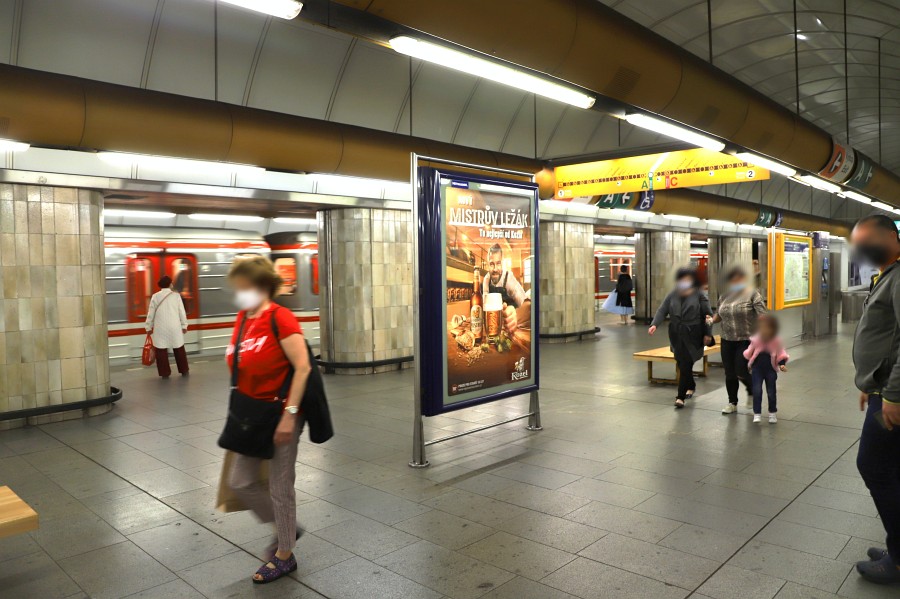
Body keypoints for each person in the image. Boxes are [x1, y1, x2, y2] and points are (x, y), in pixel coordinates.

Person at [224, 256, 312, 584]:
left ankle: (285, 554)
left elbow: (302, 367)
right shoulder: (243, 318)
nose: (239, 294)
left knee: (279, 485)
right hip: (251, 414)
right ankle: (287, 527)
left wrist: (290, 416)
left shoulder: (281, 317)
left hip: (281, 413)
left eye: (244, 287)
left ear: (262, 287)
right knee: (240, 481)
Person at [849, 214, 900, 585]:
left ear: (891, 238)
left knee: (874, 467)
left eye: (867, 242)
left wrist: (894, 394)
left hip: (892, 397)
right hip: (882, 388)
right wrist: (870, 380)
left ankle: (898, 559)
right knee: (892, 470)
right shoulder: (887, 275)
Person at [649, 268, 713, 408]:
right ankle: (691, 385)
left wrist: (708, 333)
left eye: (687, 279)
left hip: (693, 333)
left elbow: (708, 316)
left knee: (686, 363)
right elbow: (662, 309)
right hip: (676, 334)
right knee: (680, 362)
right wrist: (654, 324)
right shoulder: (673, 293)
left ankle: (680, 397)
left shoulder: (699, 294)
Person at [712, 266, 766, 414]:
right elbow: (719, 314)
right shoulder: (724, 296)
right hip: (727, 339)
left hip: (746, 339)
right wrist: (711, 320)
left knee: (740, 369)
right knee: (729, 373)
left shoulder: (753, 294)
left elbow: (763, 315)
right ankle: (732, 402)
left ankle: (752, 389)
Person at [743, 314, 789, 424]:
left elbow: (781, 353)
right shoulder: (755, 340)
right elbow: (749, 353)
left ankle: (772, 413)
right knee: (757, 390)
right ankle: (757, 413)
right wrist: (748, 364)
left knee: (771, 392)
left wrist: (781, 364)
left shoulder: (776, 341)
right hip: (757, 370)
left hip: (770, 370)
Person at [144, 276, 189, 378]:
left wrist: (148, 327)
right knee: (179, 349)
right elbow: (182, 312)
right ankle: (184, 370)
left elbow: (150, 313)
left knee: (161, 351)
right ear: (169, 284)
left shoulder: (155, 296)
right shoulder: (176, 296)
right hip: (174, 327)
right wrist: (184, 325)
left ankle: (165, 373)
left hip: (160, 327)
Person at [482, 243, 530, 333]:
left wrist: (516, 316)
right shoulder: (486, 280)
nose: (495, 269)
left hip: (512, 330)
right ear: (488, 265)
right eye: (491, 264)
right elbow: (484, 305)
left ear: (502, 264)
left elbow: (527, 305)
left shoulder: (508, 278)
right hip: (495, 328)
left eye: (498, 263)